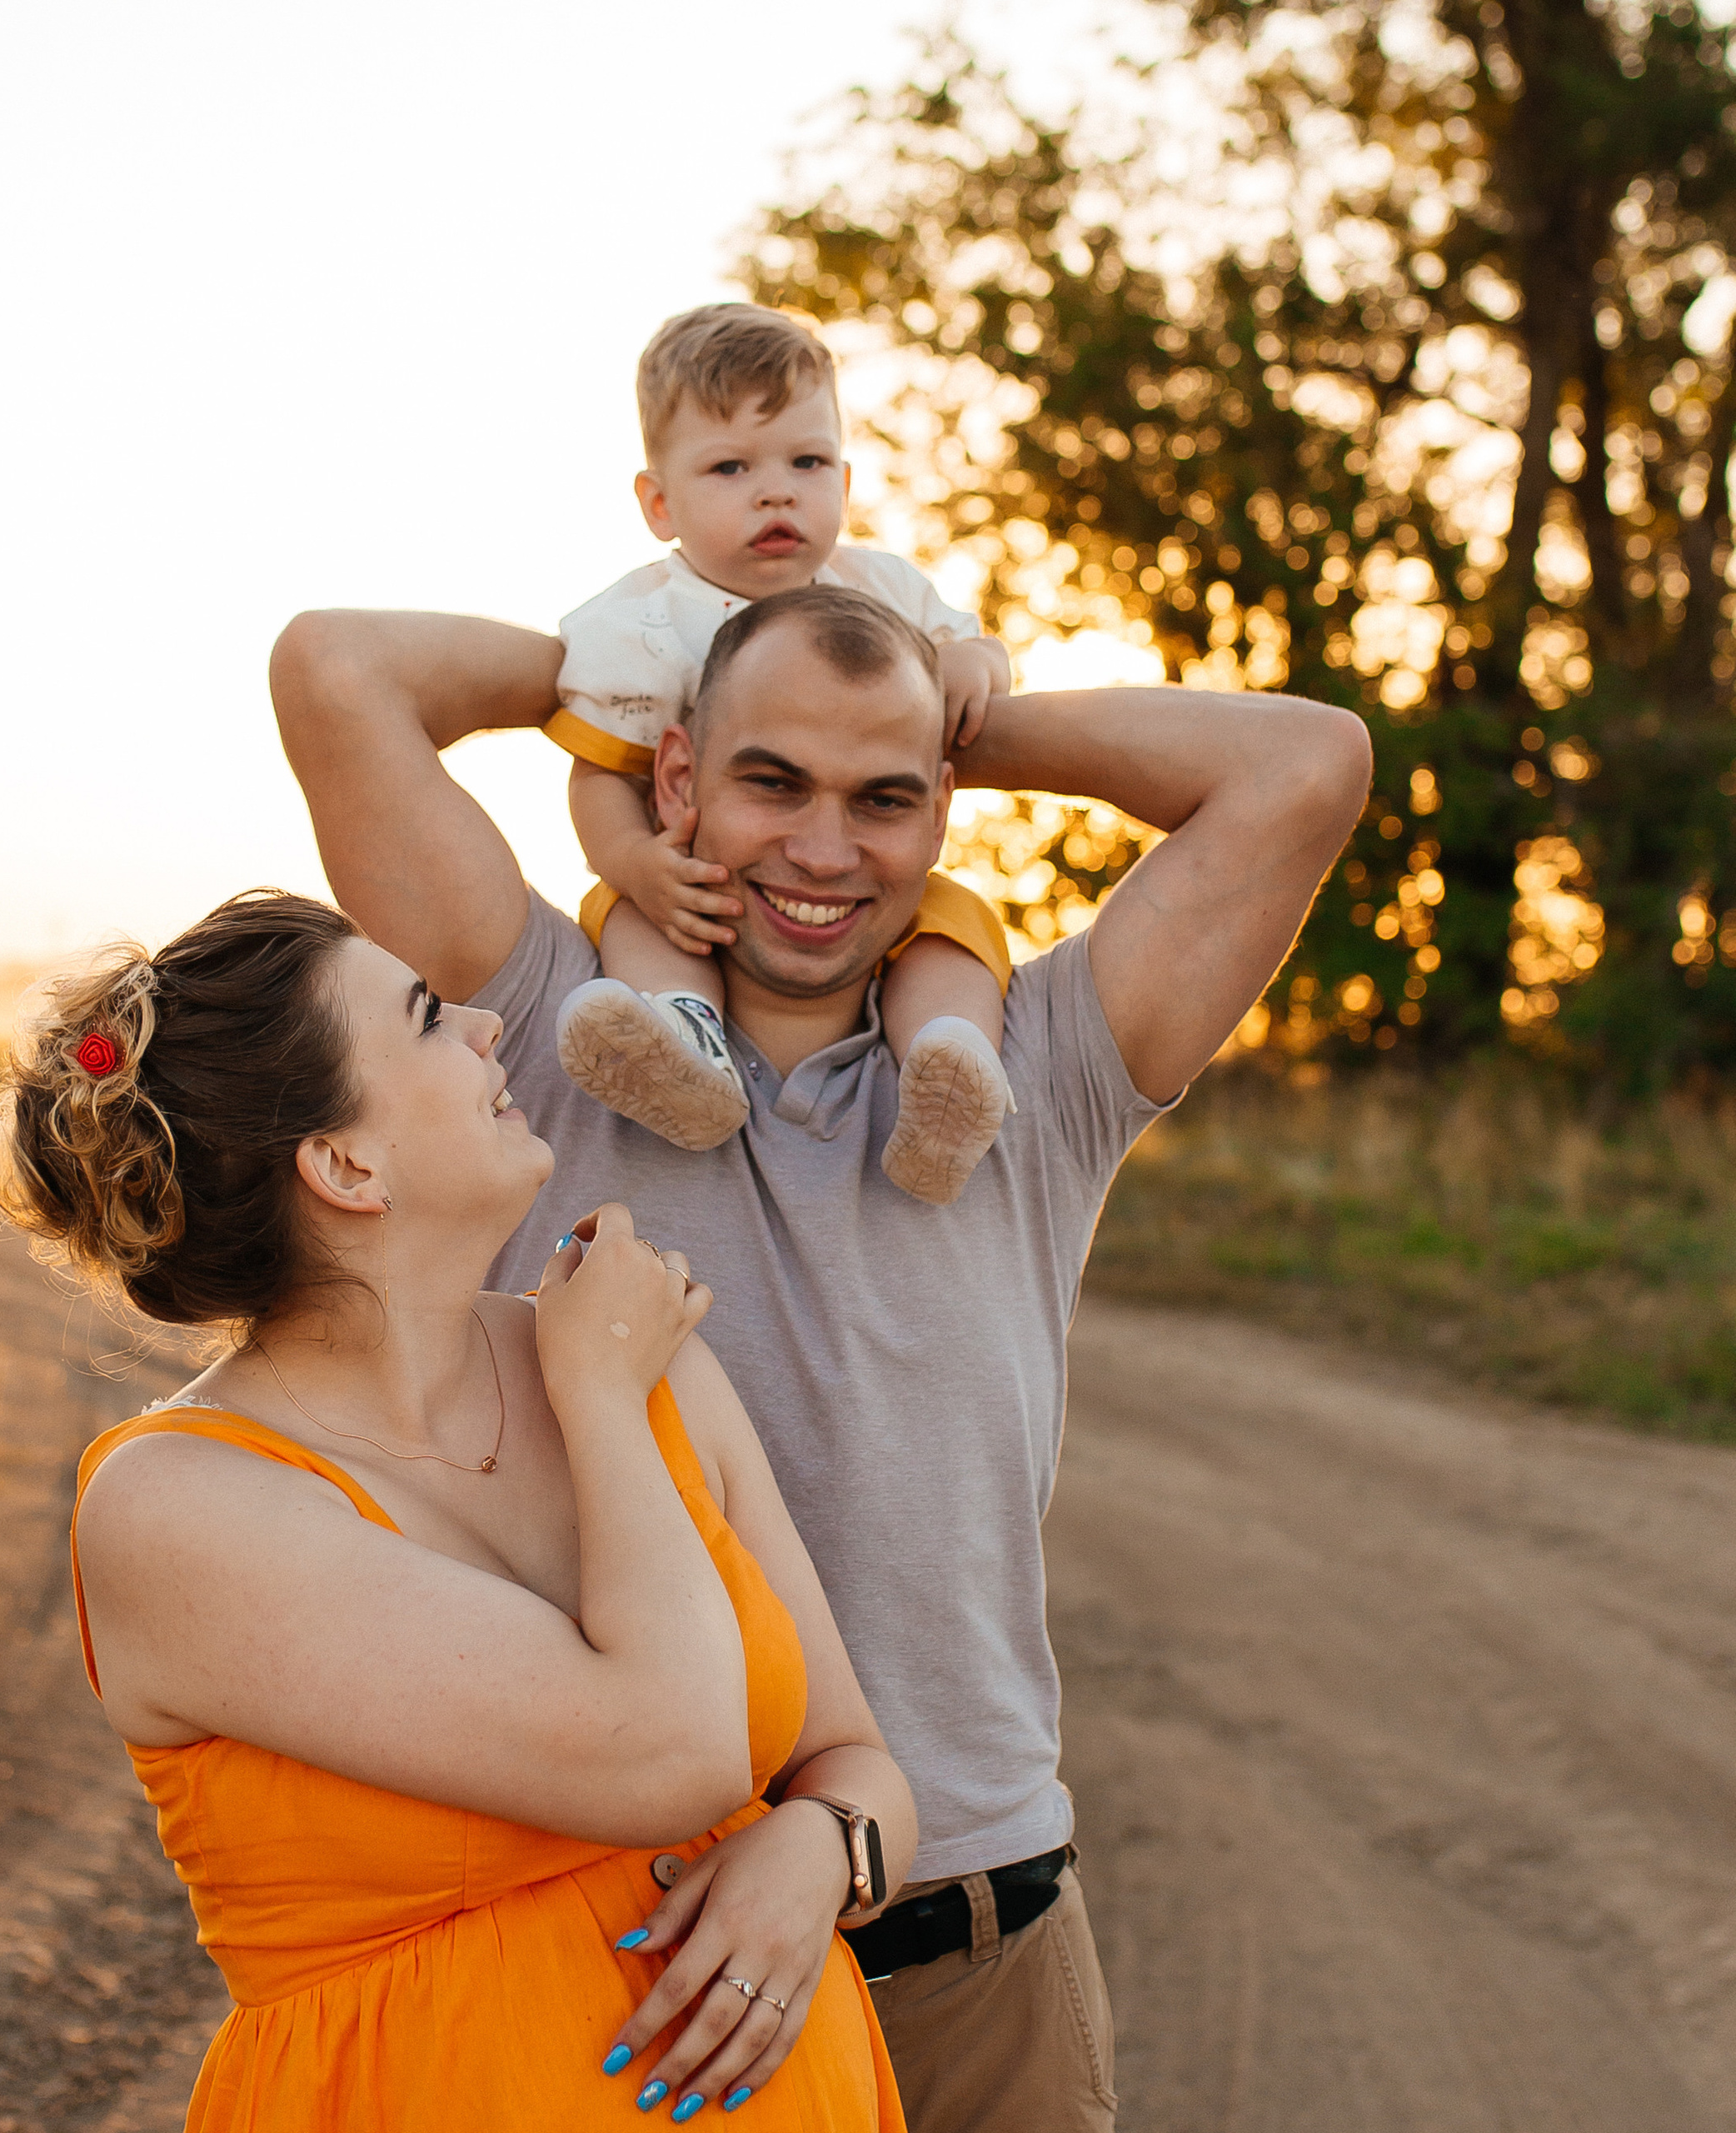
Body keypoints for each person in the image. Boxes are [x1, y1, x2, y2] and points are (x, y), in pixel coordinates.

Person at [271, 587, 1371, 2131]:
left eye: (884, 800)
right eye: (772, 780)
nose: (824, 850)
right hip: (643, 1962)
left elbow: (1308, 764)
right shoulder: (547, 1030)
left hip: (975, 1949)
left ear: (940, 810)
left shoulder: (1028, 1066)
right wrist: (646, 682)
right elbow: (337, 671)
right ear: (678, 778)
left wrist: (950, 715)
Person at [0, 888, 920, 2128]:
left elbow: (856, 1762)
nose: (482, 1024)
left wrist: (822, 1849)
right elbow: (669, 1753)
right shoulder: (177, 1503)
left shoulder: (645, 1359)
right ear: (346, 1165)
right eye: (423, 1018)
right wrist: (597, 1402)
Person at [551, 303, 1016, 1204]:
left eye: (806, 463)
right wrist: (635, 863)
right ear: (659, 503)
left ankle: (948, 1072)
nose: (776, 493)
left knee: (953, 928)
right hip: (690, 874)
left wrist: (974, 660)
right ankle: (682, 1043)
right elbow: (600, 770)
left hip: (869, 899)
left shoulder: (882, 589)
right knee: (637, 921)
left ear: (844, 476)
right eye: (730, 468)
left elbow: (973, 652)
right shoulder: (645, 624)